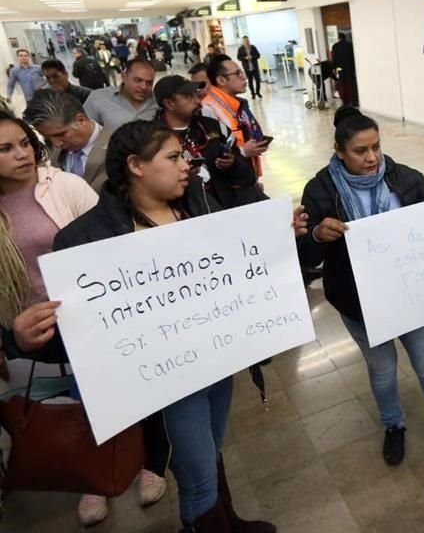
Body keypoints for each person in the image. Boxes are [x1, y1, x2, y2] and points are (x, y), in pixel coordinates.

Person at [10, 119, 305, 532]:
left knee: (212, 449)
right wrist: (25, 341)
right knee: (197, 473)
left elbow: (235, 259)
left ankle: (228, 521)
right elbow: (82, 337)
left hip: (216, 356)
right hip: (165, 380)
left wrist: (276, 235)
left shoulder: (196, 202)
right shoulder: (85, 239)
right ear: (136, 165)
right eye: (174, 157)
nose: (187, 164)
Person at [297, 107, 424, 466]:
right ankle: (394, 425)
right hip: (358, 303)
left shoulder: (403, 178)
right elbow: (306, 255)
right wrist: (315, 234)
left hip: (411, 295)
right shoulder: (320, 190)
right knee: (382, 371)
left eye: (376, 146)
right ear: (339, 151)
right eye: (360, 150)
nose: (372, 157)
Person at [0, 111, 170, 527]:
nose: (21, 154)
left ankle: (151, 460)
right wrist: (12, 333)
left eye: (24, 143)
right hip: (35, 327)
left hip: (98, 314)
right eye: (5, 149)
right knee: (84, 401)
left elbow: (112, 238)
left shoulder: (64, 186)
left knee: (138, 382)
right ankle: (94, 473)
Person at [154, 74, 262, 208]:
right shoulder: (153, 139)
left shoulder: (215, 127)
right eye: (188, 97)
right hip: (188, 212)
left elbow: (248, 176)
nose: (197, 101)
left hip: (229, 207)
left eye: (196, 94)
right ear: (169, 103)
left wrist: (232, 163)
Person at [23, 89, 112, 193]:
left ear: (81, 120)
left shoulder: (118, 147)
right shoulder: (55, 155)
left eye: (60, 134)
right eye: (48, 138)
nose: (57, 144)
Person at [202, 54, 268, 178]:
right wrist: (243, 152)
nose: (244, 77)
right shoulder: (208, 108)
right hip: (229, 182)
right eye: (238, 73)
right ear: (221, 80)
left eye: (241, 72)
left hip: (247, 176)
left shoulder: (238, 104)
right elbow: (213, 155)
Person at [83, 58, 159, 129]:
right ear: (124, 77)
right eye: (138, 80)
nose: (144, 87)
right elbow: (84, 131)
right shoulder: (98, 98)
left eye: (149, 82)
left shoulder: (158, 101)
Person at [331, 32, 357, 106]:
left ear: (338, 38)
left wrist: (334, 68)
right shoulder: (350, 45)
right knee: (350, 83)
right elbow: (353, 57)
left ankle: (344, 101)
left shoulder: (335, 46)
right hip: (349, 67)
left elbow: (334, 58)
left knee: (342, 83)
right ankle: (352, 100)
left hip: (340, 68)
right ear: (344, 38)